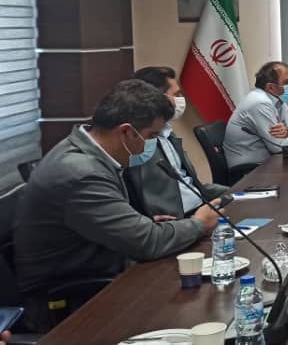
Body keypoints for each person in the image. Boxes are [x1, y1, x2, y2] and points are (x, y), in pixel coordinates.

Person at [14, 80, 221, 331]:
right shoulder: (81, 172)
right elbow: (147, 242)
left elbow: (103, 226)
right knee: (198, 310)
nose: (153, 144)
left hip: (102, 269)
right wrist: (199, 223)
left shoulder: (92, 154)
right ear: (126, 132)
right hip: (70, 301)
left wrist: (142, 224)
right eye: (151, 136)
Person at [125, 67, 229, 219]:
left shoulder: (168, 134)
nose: (181, 99)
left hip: (202, 208)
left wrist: (237, 191)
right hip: (178, 221)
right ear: (158, 99)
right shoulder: (137, 144)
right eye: (176, 95)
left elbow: (192, 185)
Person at [224, 61, 288, 180]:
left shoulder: (280, 102)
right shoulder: (260, 103)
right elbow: (277, 147)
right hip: (248, 171)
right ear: (270, 87)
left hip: (266, 164)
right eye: (287, 82)